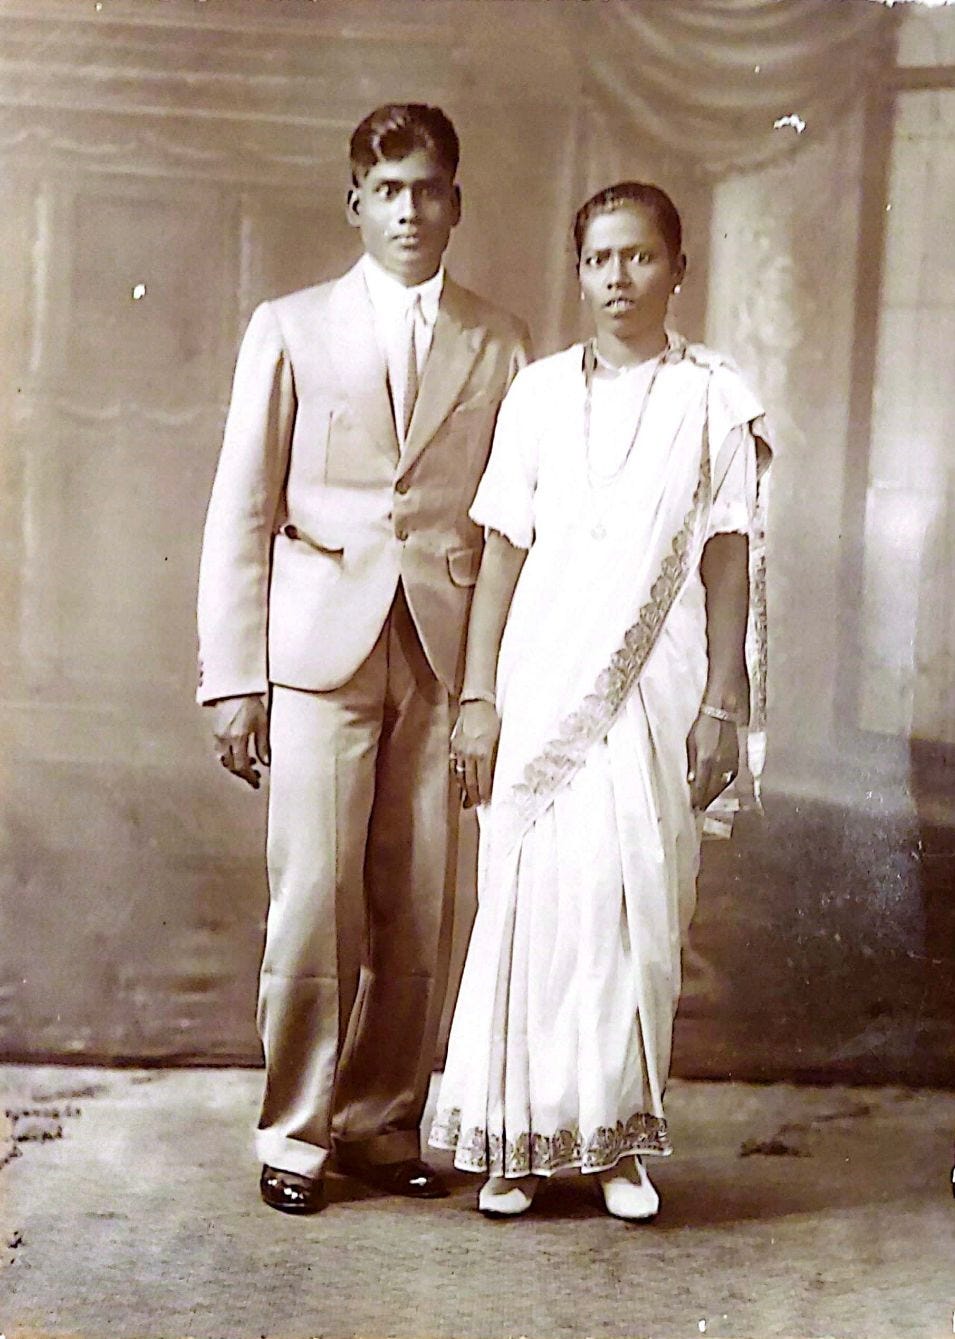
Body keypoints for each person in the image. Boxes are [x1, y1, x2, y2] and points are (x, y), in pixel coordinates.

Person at [197, 103, 530, 1215]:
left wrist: (491, 688)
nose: (409, 209)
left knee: (423, 899)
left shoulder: (499, 340)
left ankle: (381, 1119)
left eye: (428, 187)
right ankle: (294, 1131)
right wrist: (232, 676)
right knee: (313, 899)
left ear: (456, 202)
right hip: (316, 651)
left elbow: (520, 523)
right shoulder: (288, 326)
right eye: (387, 190)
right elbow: (241, 507)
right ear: (355, 203)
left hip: (440, 654)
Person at [429, 182, 772, 1220]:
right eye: (597, 260)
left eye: (638, 257)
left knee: (631, 907)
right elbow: (499, 554)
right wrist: (479, 694)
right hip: (541, 681)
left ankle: (616, 1142)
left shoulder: (713, 398)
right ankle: (514, 1142)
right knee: (533, 903)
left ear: (678, 268)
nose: (617, 278)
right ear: (577, 271)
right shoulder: (534, 394)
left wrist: (723, 701)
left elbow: (725, 560)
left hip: (656, 686)